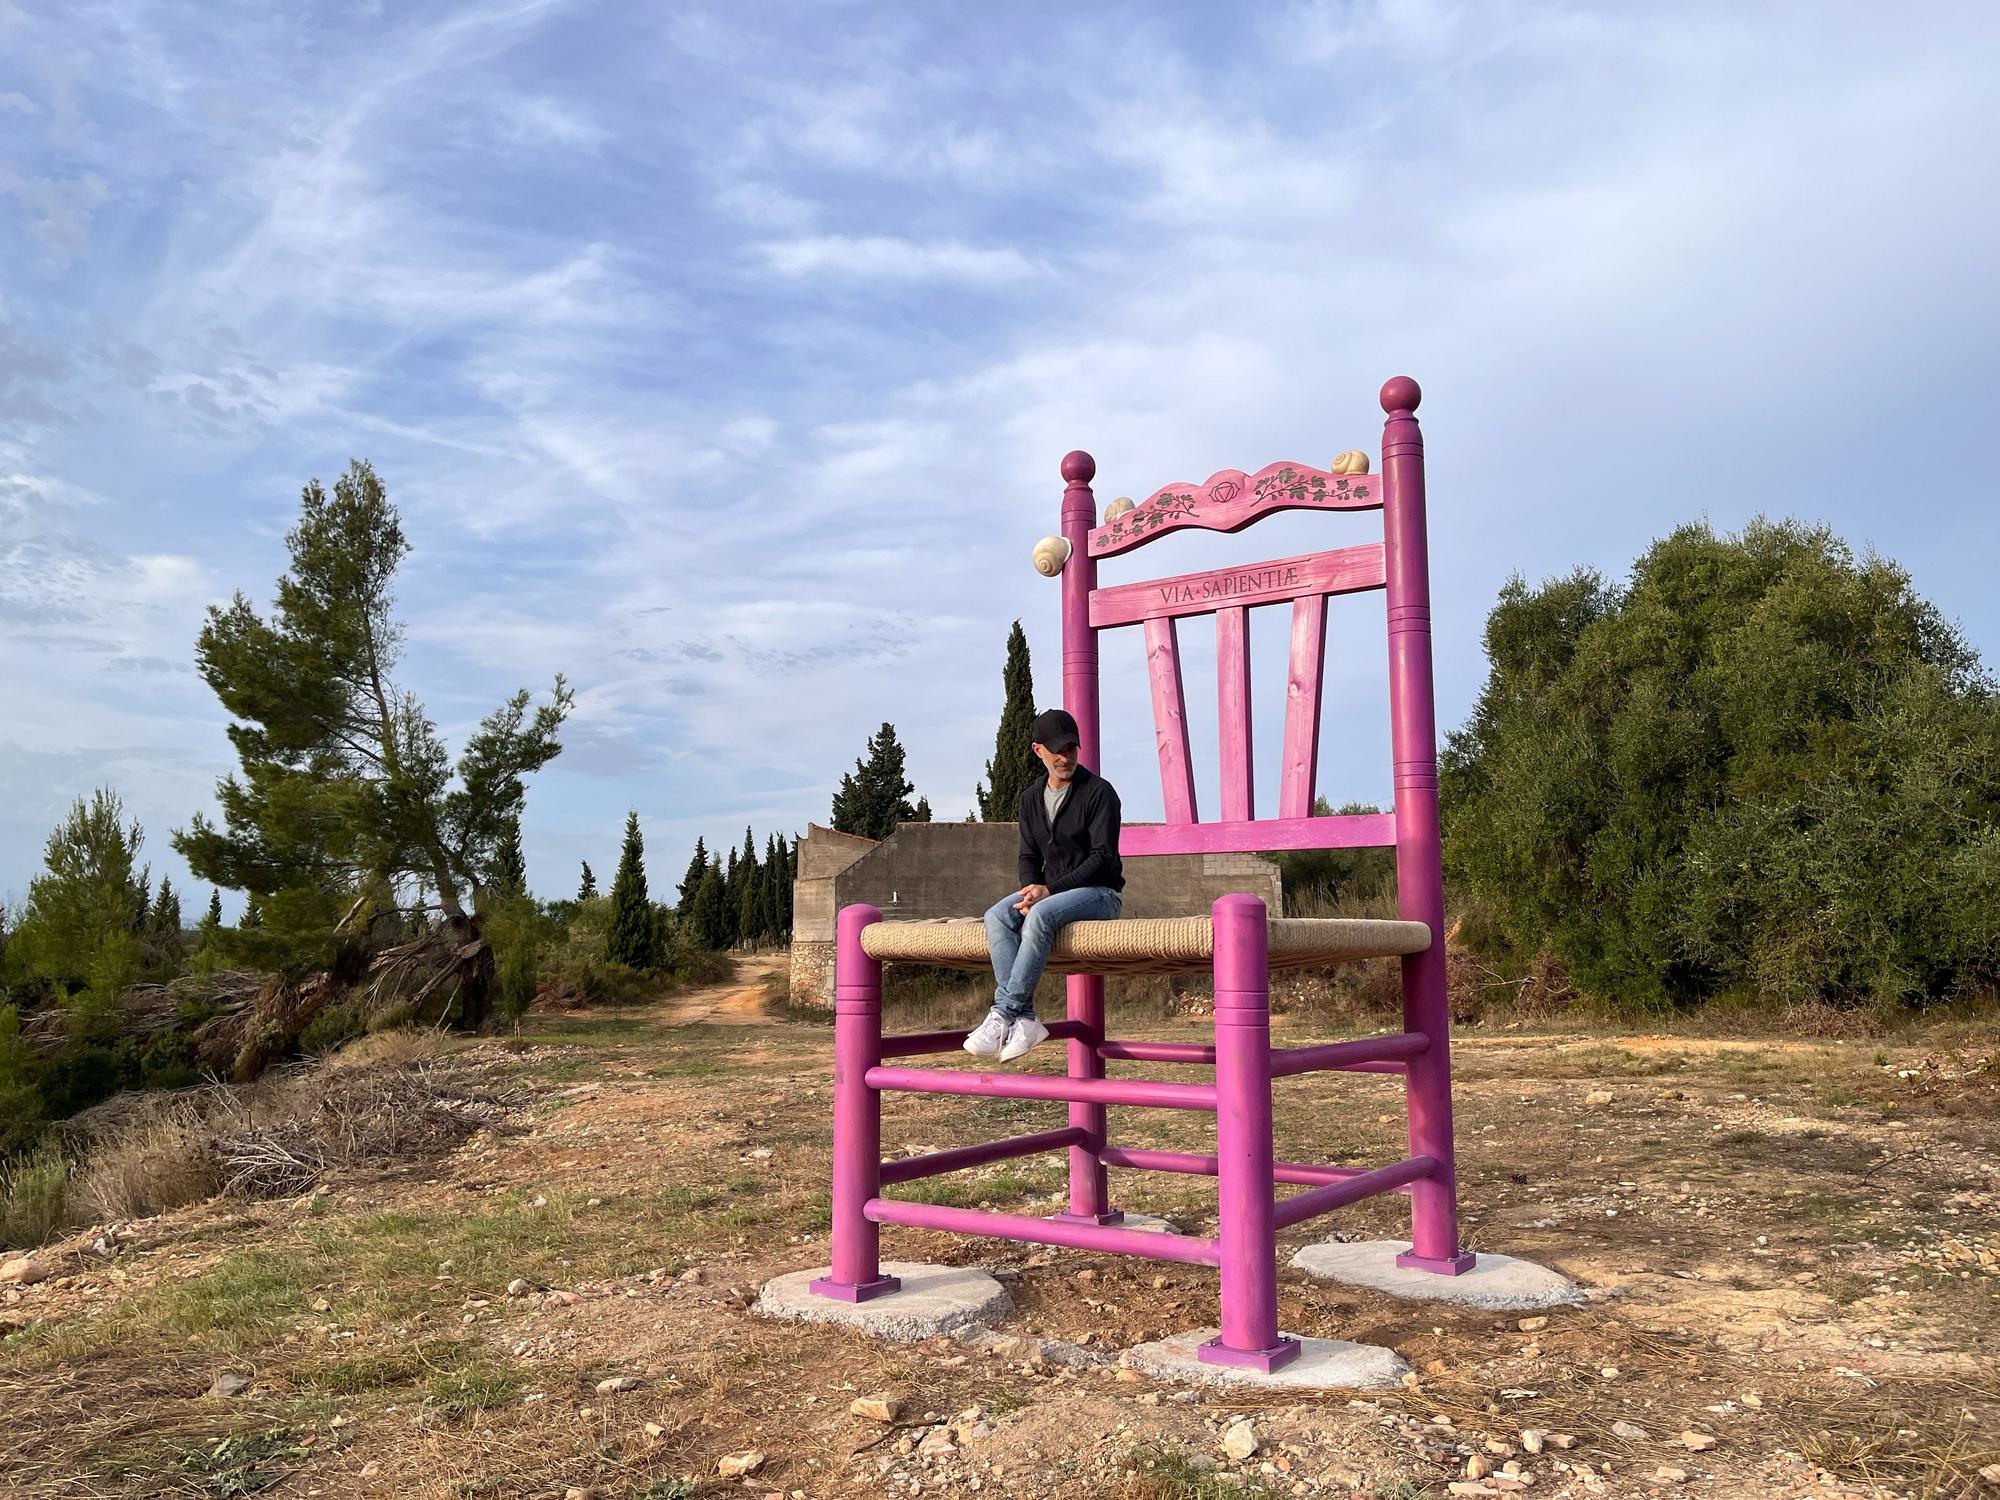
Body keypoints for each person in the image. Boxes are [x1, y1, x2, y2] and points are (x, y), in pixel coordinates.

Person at [963, 707, 1124, 1062]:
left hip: (1100, 894)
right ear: (1039, 750)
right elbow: (1027, 857)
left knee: (1040, 916)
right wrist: (1029, 889)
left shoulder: (1099, 793)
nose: (1065, 757)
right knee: (997, 915)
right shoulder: (1030, 798)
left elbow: (1102, 858)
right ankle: (1026, 1018)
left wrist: (1048, 893)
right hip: (1050, 895)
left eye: (1072, 749)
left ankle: (1004, 1012)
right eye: (1057, 750)